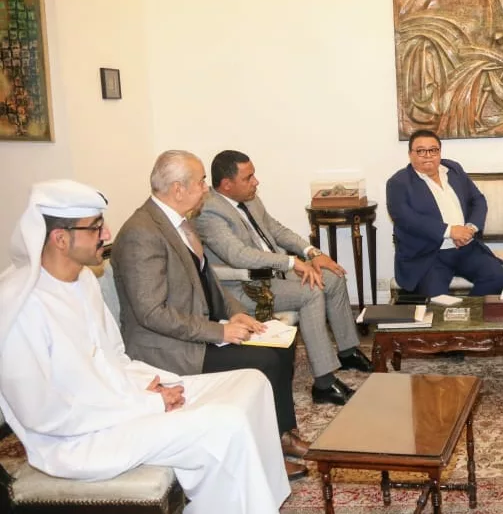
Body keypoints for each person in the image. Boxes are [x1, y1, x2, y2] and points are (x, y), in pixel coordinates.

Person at [0, 180, 291, 513]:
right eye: (95, 227)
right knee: (225, 424)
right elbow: (46, 415)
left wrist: (148, 386)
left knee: (251, 383)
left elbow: (115, 357)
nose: (107, 234)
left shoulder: (83, 281)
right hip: (80, 440)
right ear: (60, 238)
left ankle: (259, 501)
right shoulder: (23, 307)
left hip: (123, 403)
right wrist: (146, 403)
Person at [111, 150, 309, 477]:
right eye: (201, 181)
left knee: (281, 344)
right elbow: (152, 313)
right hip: (167, 347)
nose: (206, 188)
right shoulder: (141, 233)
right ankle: (266, 457)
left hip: (197, 330)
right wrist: (220, 332)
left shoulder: (178, 221)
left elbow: (207, 280)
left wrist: (235, 314)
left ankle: (281, 435)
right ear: (178, 189)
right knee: (265, 361)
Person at [195, 150, 371, 406]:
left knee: (332, 277)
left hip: (274, 273)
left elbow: (276, 230)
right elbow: (238, 255)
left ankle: (347, 351)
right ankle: (324, 383)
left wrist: (312, 252)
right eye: (248, 177)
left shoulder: (249, 198)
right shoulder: (209, 212)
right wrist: (291, 262)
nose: (256, 182)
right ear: (226, 184)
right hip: (246, 286)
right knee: (311, 293)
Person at [386, 129, 503, 297]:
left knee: (496, 277)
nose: (428, 155)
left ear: (440, 152)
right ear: (410, 154)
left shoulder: (453, 169)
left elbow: (478, 200)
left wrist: (469, 229)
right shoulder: (398, 183)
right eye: (421, 151)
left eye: (433, 150)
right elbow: (406, 219)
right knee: (436, 301)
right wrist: (450, 231)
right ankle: (451, 313)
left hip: (465, 248)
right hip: (429, 255)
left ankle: (468, 313)